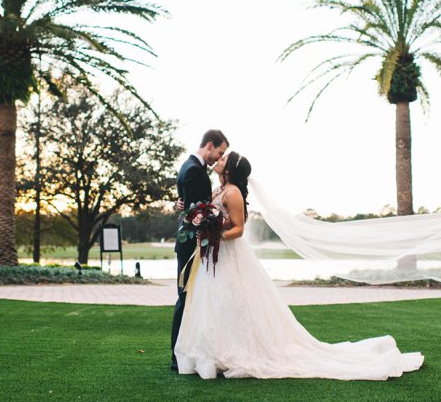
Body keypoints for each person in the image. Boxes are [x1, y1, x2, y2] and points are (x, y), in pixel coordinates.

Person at [174, 151, 425, 380]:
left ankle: (236, 352)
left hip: (228, 254)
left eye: (223, 159)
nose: (218, 159)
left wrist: (214, 236)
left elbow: (238, 230)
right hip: (213, 256)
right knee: (217, 303)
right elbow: (204, 212)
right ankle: (214, 351)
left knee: (233, 302)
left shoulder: (234, 193)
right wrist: (190, 214)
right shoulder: (219, 190)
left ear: (229, 170)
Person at [170, 129, 229, 372]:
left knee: (189, 298)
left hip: (191, 244)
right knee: (186, 299)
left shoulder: (188, 166)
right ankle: (177, 356)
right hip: (192, 245)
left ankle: (186, 352)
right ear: (210, 145)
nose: (219, 157)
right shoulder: (194, 170)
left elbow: (189, 206)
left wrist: (181, 206)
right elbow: (198, 214)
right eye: (220, 152)